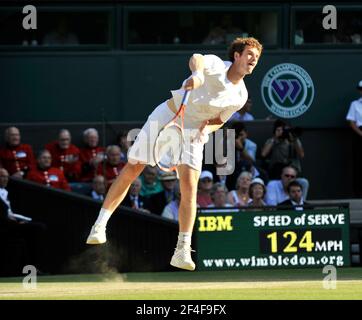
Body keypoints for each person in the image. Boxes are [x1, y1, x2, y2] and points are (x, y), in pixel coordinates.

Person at [86, 37, 263, 271]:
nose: (253, 60)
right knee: (133, 168)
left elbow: (219, 119)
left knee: (190, 189)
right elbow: (197, 59)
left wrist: (204, 130)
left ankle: (182, 250)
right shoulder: (215, 65)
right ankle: (99, 225)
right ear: (237, 56)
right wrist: (197, 76)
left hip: (192, 134)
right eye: (249, 54)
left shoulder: (240, 96)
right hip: (167, 117)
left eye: (257, 57)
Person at [0, 168, 47, 270]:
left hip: (11, 224)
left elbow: (10, 213)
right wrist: (16, 223)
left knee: (37, 229)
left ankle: (32, 267)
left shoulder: (6, 192)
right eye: (2, 176)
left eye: (6, 177)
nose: (5, 179)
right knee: (37, 228)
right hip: (4, 226)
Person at [346, 80, 362, 197]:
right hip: (359, 135)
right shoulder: (355, 104)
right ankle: (359, 193)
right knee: (359, 165)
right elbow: (351, 122)